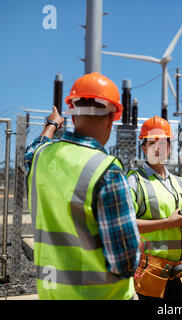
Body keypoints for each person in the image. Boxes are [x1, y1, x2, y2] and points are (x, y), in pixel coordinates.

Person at [24, 72, 140, 300]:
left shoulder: (40, 158)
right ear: (110, 119)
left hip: (52, 294)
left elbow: (31, 150)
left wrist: (51, 125)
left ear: (73, 118)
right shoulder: (107, 169)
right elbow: (124, 261)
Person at [127, 116, 182, 300]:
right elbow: (127, 224)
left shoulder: (179, 182)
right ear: (143, 148)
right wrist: (167, 223)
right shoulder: (134, 181)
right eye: (152, 143)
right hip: (153, 273)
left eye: (164, 143)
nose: (158, 148)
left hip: (181, 271)